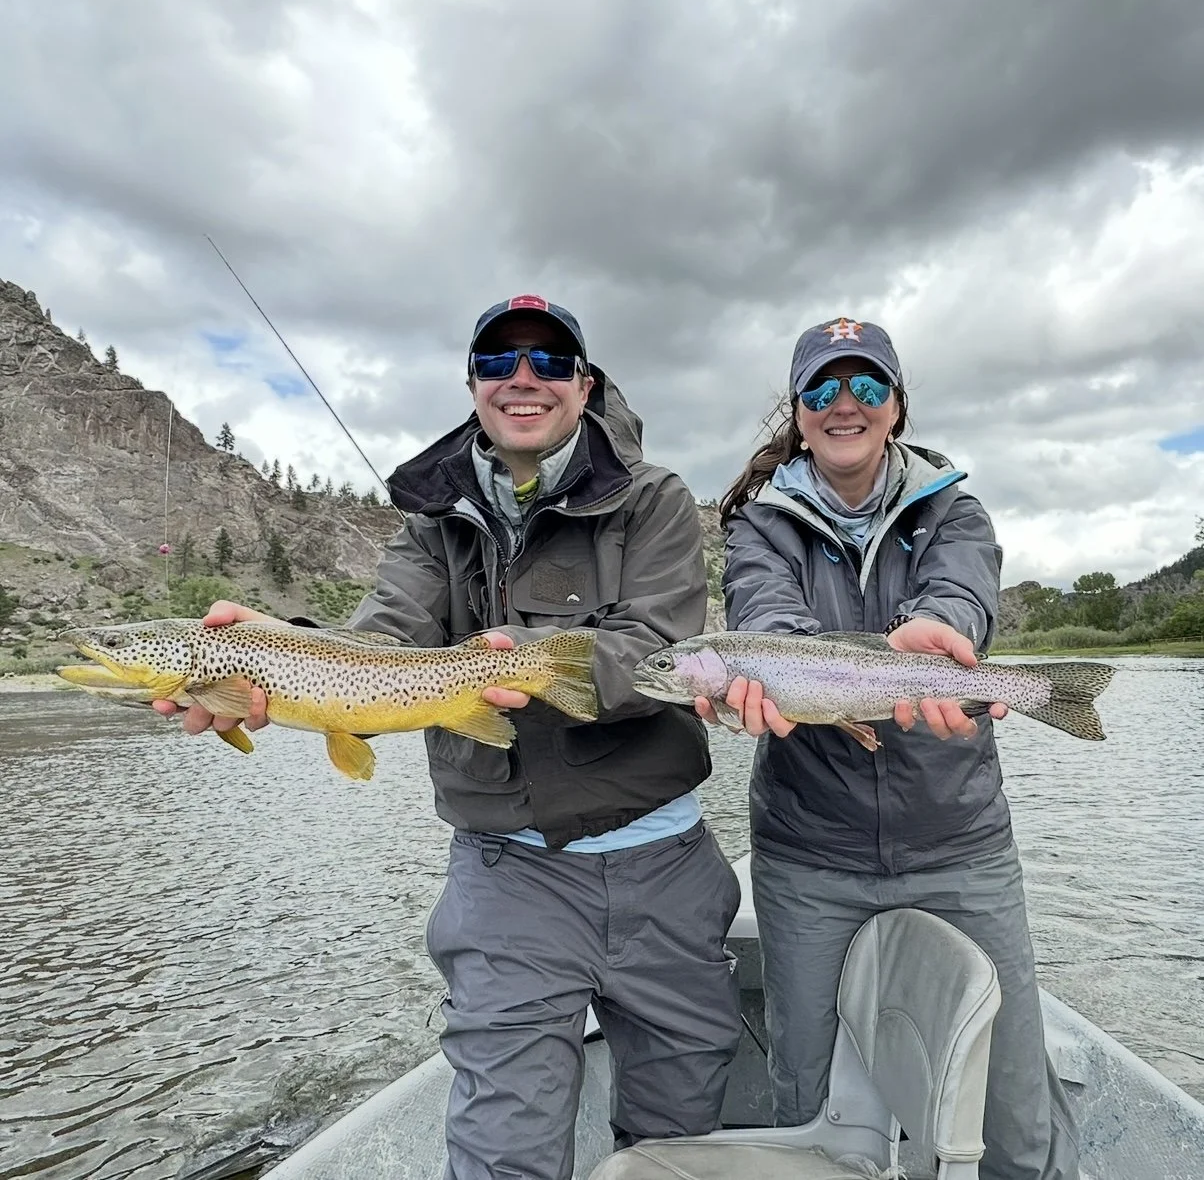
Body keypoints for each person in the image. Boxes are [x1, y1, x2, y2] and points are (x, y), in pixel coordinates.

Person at [156, 295, 742, 1180]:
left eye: (549, 362)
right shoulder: (430, 523)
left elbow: (660, 649)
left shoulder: (652, 499)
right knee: (503, 1149)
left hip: (667, 866)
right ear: (472, 386)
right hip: (508, 879)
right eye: (499, 362)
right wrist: (279, 652)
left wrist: (538, 662)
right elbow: (382, 639)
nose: (523, 378)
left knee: (682, 1137)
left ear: (584, 386)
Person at [701, 316, 1080, 1180]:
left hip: (961, 844)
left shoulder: (955, 505)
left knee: (1014, 1102)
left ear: (897, 407)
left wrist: (941, 631)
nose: (845, 404)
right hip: (809, 855)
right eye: (823, 389)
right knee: (804, 1088)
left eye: (866, 386)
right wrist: (768, 674)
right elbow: (766, 614)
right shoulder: (759, 526)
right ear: (797, 412)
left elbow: (962, 591)